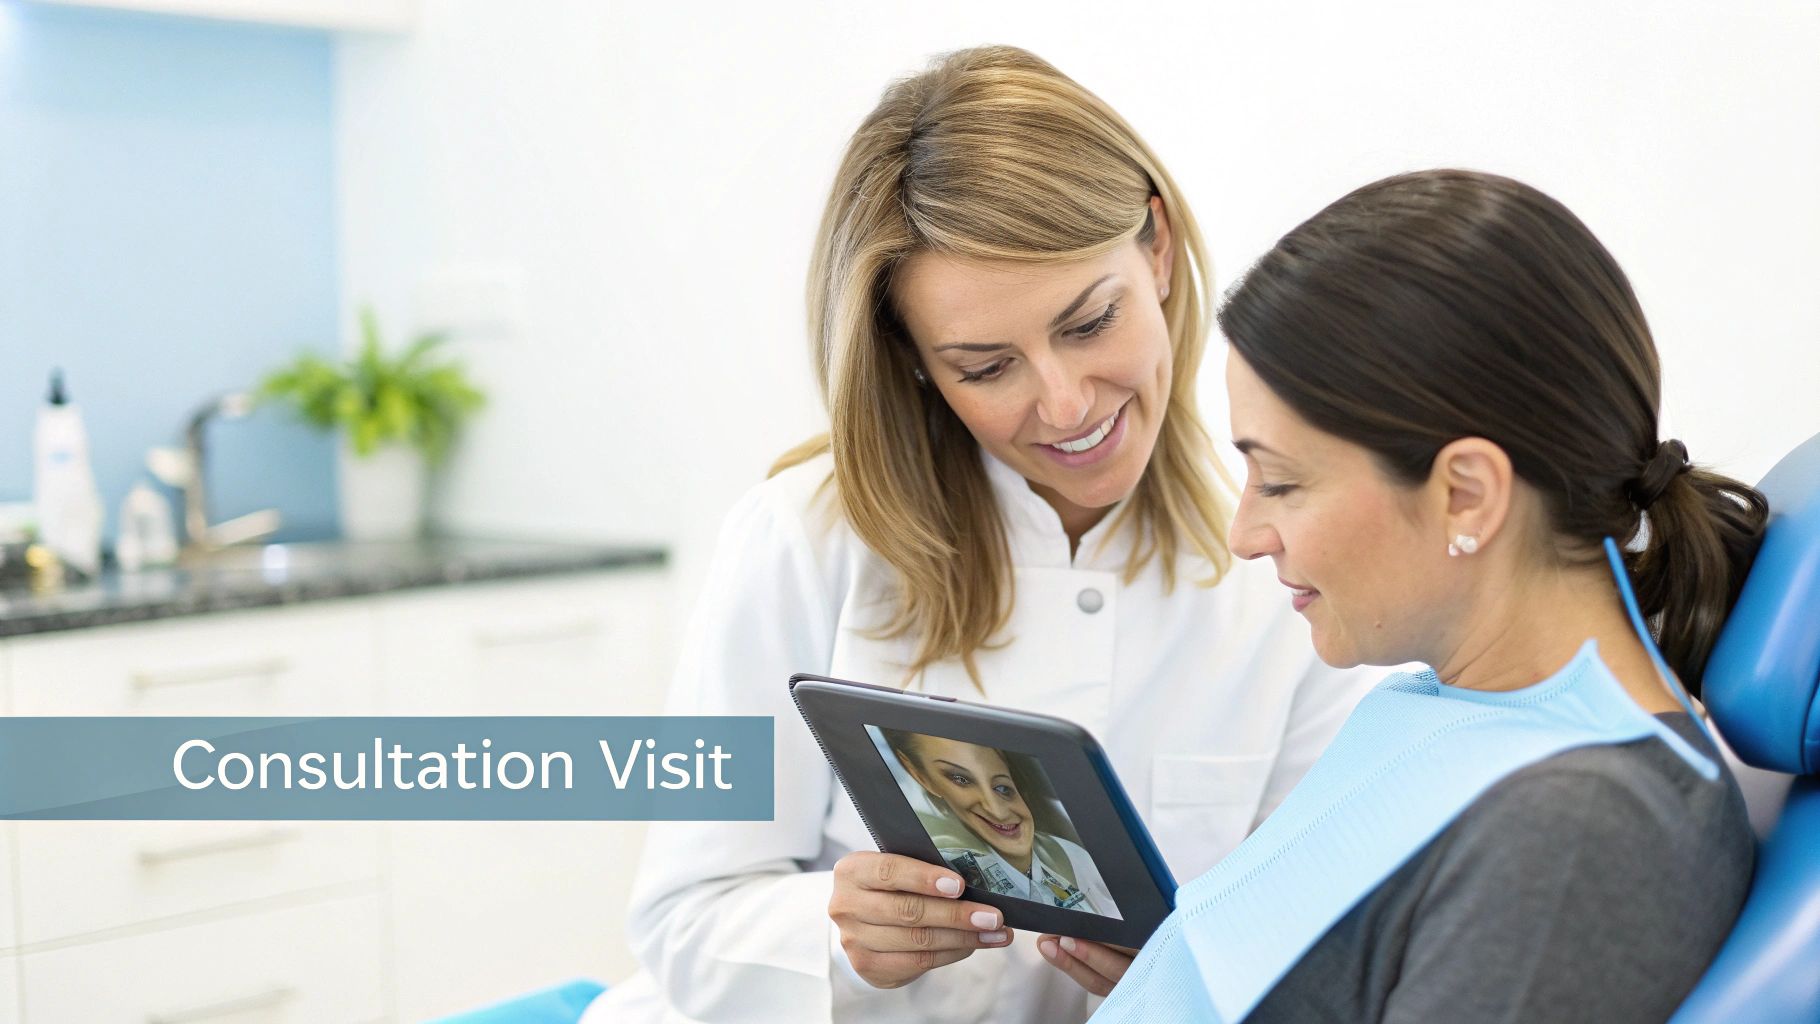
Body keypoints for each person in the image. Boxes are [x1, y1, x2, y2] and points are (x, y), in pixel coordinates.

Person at [580, 45, 1374, 1024]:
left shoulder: (1282, 568)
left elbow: (1311, 954)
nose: (1065, 403)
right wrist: (839, 938)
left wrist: (1187, 982)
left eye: (1090, 322)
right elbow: (684, 918)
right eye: (986, 367)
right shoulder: (806, 539)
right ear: (915, 361)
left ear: (1158, 249)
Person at [1037, 170, 1764, 1023]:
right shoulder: (1446, 708)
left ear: (1466, 495)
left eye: (1281, 481)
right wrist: (1183, 971)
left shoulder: (1579, 830)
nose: (1246, 533)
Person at [881, 730, 1121, 919]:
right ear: (919, 775)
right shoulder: (933, 862)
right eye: (960, 779)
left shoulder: (1075, 858)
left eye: (1003, 788)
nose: (997, 811)